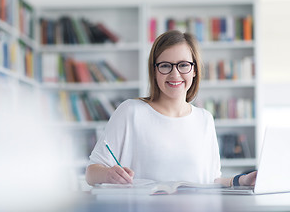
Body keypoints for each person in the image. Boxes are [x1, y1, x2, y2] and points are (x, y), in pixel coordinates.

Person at [85, 30, 257, 187]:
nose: (175, 74)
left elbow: (210, 180)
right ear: (154, 71)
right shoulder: (131, 111)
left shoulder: (205, 119)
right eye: (165, 65)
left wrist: (241, 180)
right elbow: (91, 174)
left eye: (183, 65)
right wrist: (108, 174)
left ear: (194, 70)